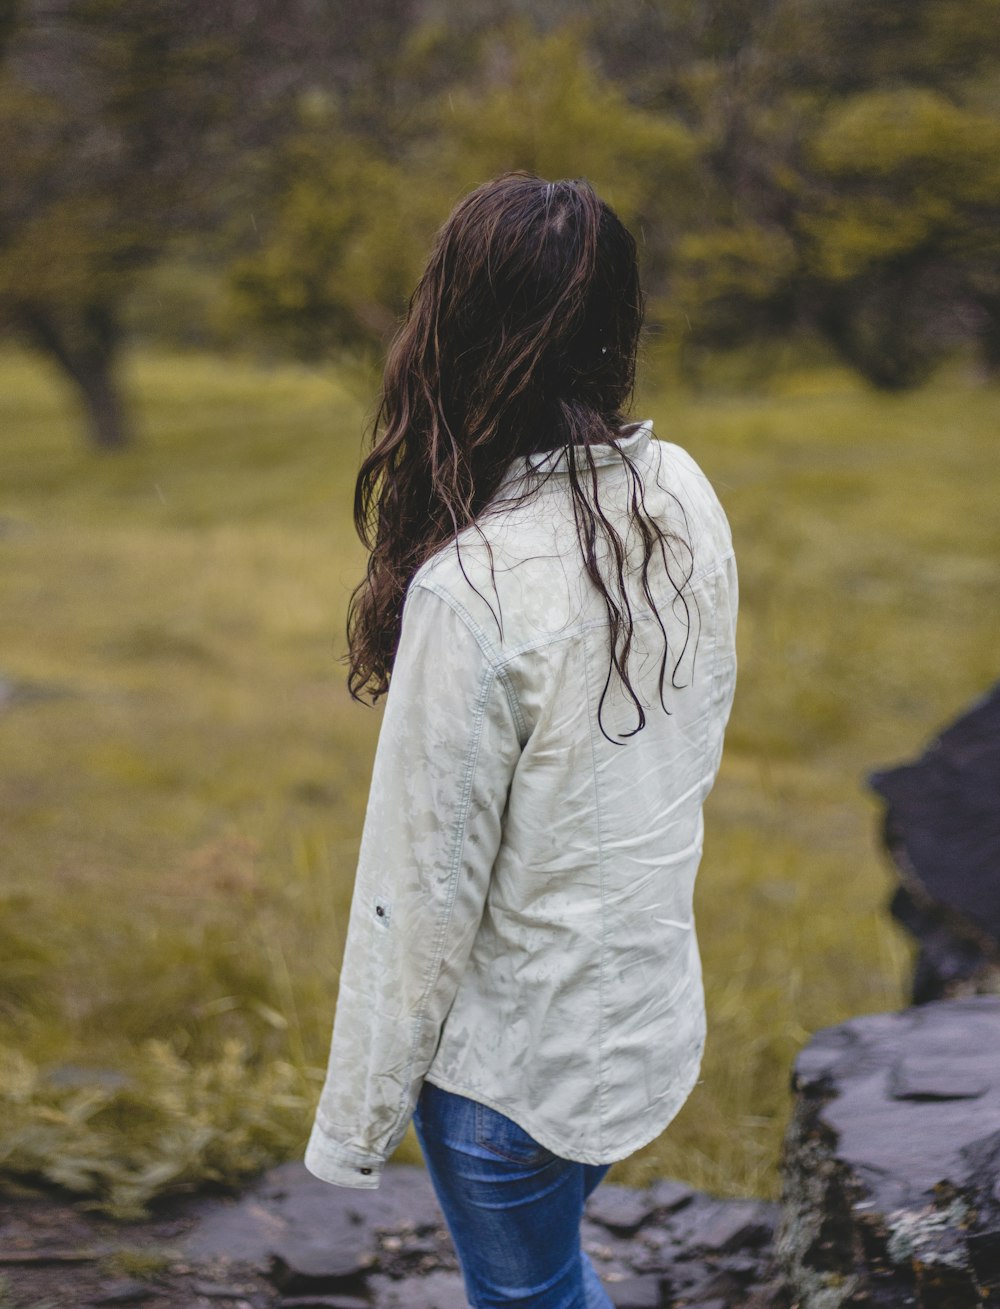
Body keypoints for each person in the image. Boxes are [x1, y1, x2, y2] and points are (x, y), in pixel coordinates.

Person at [304, 172, 738, 1308]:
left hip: (513, 1081)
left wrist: (351, 1134)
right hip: (640, 1020)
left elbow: (417, 898)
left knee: (535, 1299)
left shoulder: (471, 591)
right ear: (617, 325)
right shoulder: (681, 490)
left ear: (447, 326)